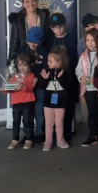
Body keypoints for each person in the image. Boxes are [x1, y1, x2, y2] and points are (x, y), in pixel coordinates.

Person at [47, 13, 79, 141]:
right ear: (51, 28)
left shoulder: (71, 39)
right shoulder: (49, 40)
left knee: (68, 104)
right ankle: (55, 131)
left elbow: (74, 59)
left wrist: (66, 72)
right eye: (55, 27)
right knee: (55, 105)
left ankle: (67, 130)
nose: (58, 29)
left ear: (65, 25)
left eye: (60, 26)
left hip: (68, 77)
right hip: (53, 79)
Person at [37, 46, 73, 151]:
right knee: (48, 122)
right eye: (48, 61)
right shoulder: (46, 72)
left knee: (59, 122)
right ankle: (48, 141)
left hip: (61, 102)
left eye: (50, 61)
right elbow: (42, 86)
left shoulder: (66, 72)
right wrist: (44, 79)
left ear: (59, 62)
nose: (48, 63)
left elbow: (68, 85)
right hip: (48, 102)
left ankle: (60, 140)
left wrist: (61, 78)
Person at [1, 53, 37, 150]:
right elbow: (11, 89)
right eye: (20, 65)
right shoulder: (14, 77)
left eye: (24, 65)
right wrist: (5, 89)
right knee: (16, 121)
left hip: (28, 102)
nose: (22, 67)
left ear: (29, 65)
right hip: (16, 103)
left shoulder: (31, 76)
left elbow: (31, 87)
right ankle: (15, 139)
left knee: (27, 121)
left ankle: (29, 139)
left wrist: (23, 87)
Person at [75, 29, 98, 147]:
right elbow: (78, 69)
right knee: (92, 112)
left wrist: (97, 80)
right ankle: (93, 134)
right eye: (88, 40)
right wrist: (81, 77)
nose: (90, 43)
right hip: (88, 89)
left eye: (93, 40)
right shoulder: (83, 55)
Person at [7, 0, 50, 64]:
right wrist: (11, 62)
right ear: (23, 4)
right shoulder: (17, 19)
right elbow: (14, 43)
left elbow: (49, 39)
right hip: (23, 58)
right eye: (27, 2)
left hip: (42, 57)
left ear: (37, 2)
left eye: (33, 1)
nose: (31, 4)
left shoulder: (45, 17)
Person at [25, 27, 49, 144]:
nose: (32, 44)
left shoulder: (45, 51)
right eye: (29, 41)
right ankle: (27, 134)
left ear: (41, 41)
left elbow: (47, 68)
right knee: (26, 111)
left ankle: (40, 133)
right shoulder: (23, 49)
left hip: (40, 85)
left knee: (39, 110)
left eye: (35, 42)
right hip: (26, 85)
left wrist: (38, 79)